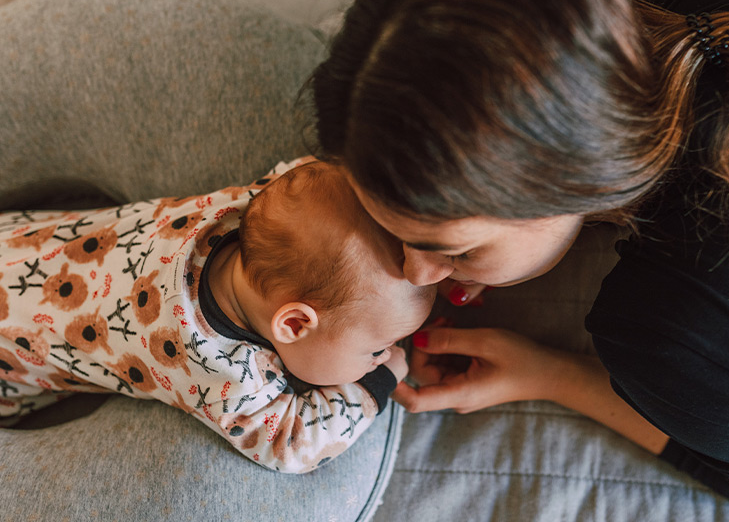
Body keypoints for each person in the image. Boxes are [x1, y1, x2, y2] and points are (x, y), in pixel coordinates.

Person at [310, 0, 729, 508]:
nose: (416, 273)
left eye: (455, 249)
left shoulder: (667, 332)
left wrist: (553, 376)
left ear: (577, 181)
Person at [0, 158, 434, 473]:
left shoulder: (240, 209)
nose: (385, 353)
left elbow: (313, 181)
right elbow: (289, 445)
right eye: (375, 348)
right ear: (295, 324)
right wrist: (380, 380)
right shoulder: (223, 369)